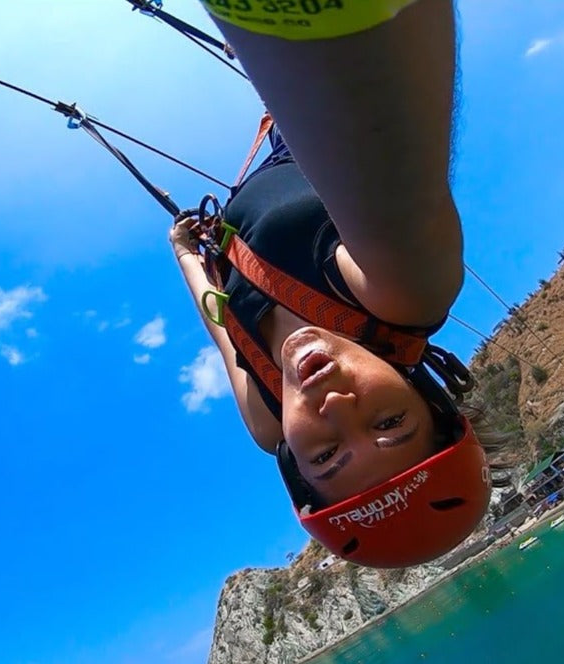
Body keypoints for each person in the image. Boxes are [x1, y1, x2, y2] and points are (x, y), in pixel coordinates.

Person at [171, 0, 496, 568]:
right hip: (304, 142)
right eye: (389, 423)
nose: (337, 407)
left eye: (325, 457)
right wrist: (300, 58)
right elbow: (391, 135)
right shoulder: (406, 290)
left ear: (296, 462)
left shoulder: (267, 418)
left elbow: (221, 324)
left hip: (243, 202)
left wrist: (185, 255)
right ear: (424, 395)